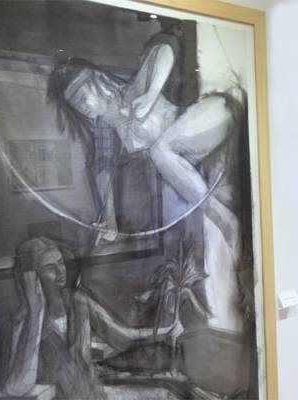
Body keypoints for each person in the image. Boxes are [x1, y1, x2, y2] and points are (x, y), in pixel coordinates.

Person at [47, 23, 247, 332]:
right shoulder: (110, 137)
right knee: (163, 155)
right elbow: (103, 177)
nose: (84, 106)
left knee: (161, 150)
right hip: (196, 159)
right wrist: (109, 222)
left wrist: (152, 92)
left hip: (214, 114)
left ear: (96, 80)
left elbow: (165, 47)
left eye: (83, 94)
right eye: (76, 103)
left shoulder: (133, 91)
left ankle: (226, 221)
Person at [0, 238, 185, 398]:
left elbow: (124, 338)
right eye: (50, 267)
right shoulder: (22, 323)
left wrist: (167, 330)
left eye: (60, 263)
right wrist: (36, 311)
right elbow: (16, 387)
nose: (60, 270)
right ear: (31, 278)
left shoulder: (78, 302)